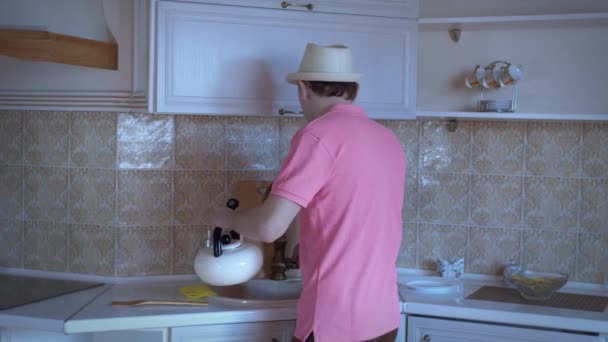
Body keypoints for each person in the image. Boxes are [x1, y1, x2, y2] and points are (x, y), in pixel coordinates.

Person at [210, 43, 406, 342]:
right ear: (353, 90)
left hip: (335, 323)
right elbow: (351, 212)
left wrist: (227, 218)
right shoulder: (387, 139)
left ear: (303, 89)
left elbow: (268, 227)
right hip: (383, 318)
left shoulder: (317, 135)